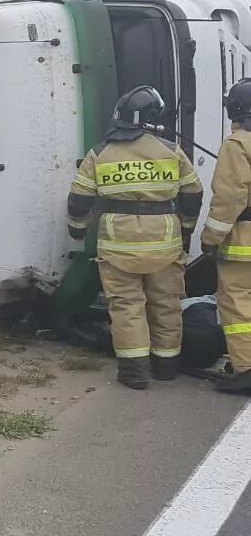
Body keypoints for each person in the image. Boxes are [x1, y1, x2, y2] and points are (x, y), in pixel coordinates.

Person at [68, 85, 203, 389]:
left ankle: (134, 372)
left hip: (118, 246)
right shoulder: (171, 150)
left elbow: (78, 199)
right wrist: (186, 228)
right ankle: (167, 367)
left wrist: (76, 229)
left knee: (126, 306)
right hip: (165, 245)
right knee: (166, 303)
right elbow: (193, 193)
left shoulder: (100, 153)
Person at [200, 78, 251, 394]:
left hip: (245, 244)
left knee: (238, 305)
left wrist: (210, 239)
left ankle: (246, 368)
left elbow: (230, 198)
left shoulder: (238, 144)